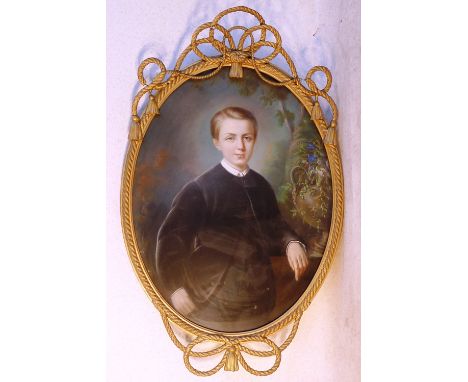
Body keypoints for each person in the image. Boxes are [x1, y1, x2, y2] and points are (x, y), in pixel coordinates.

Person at [155, 106, 309, 331]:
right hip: (212, 295)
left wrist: (291, 242)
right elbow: (170, 240)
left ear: (255, 140)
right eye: (230, 138)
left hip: (260, 294)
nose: (240, 146)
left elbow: (275, 226)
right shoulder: (199, 189)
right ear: (217, 141)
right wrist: (175, 287)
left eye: (247, 138)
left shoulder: (261, 186)